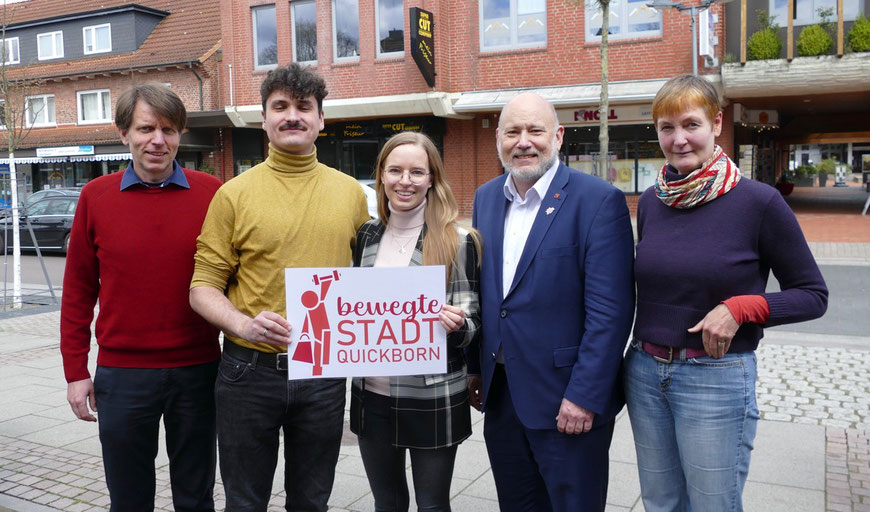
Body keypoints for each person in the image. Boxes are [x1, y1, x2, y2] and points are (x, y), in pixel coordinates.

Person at [625, 74, 828, 511]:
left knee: (712, 505)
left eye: (691, 124)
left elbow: (813, 294)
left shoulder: (759, 202)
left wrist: (741, 307)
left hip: (714, 378)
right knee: (660, 503)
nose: (679, 139)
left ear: (717, 123)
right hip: (644, 373)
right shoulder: (653, 201)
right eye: (666, 128)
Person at [189, 63, 369, 511]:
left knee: (312, 501)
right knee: (244, 502)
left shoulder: (351, 195)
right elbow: (202, 287)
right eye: (281, 106)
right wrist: (243, 324)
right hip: (248, 373)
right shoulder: (233, 194)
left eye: (304, 107)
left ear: (321, 119)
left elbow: (369, 280)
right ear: (263, 119)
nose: (293, 116)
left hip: (323, 374)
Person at [467, 92, 635, 511]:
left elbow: (610, 313)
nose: (523, 141)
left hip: (568, 402)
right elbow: (488, 296)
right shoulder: (486, 198)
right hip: (503, 397)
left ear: (558, 136)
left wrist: (584, 396)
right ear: (499, 141)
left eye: (535, 130)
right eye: (512, 132)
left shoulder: (598, 201)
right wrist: (476, 369)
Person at [60, 83, 222, 512]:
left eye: (168, 130)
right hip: (122, 374)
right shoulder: (95, 197)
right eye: (146, 128)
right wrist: (76, 371)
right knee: (129, 499)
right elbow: (78, 289)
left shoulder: (213, 193)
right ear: (124, 133)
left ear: (180, 135)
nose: (157, 140)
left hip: (199, 371)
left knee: (196, 495)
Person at [349, 132, 481, 512]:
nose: (405, 180)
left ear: (432, 179)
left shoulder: (458, 240)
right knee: (386, 504)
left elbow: (473, 323)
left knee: (432, 505)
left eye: (416, 172)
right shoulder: (367, 235)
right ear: (382, 177)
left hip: (432, 395)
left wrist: (456, 325)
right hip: (371, 396)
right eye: (395, 170)